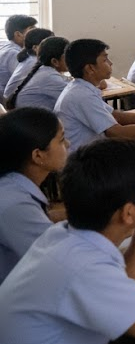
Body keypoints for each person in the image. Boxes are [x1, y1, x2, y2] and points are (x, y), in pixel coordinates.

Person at [0, 138, 135, 344]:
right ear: (128, 213)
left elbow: (130, 279)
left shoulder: (63, 236)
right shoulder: (82, 267)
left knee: (129, 342)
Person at [54, 39, 135, 151]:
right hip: (82, 162)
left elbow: (116, 116)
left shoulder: (82, 88)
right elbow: (117, 133)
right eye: (105, 60)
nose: (110, 63)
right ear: (90, 68)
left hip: (88, 152)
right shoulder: (82, 95)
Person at [0, 108, 69, 284]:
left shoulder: (12, 185)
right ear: (38, 155)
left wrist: (86, 212)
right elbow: (63, 263)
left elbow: (40, 219)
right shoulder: (14, 203)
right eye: (61, 140)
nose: (67, 144)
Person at [6, 36, 70, 111]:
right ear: (55, 62)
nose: (71, 60)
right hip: (30, 120)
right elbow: (75, 96)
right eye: (67, 57)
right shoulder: (49, 77)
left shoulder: (45, 71)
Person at [3, 27, 53, 102]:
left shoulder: (29, 58)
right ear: (36, 48)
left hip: (11, 103)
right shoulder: (35, 63)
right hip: (15, 107)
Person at [0, 14, 38, 92]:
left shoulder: (6, 47)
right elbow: (29, 81)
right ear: (18, 34)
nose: (36, 33)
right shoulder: (13, 54)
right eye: (32, 30)